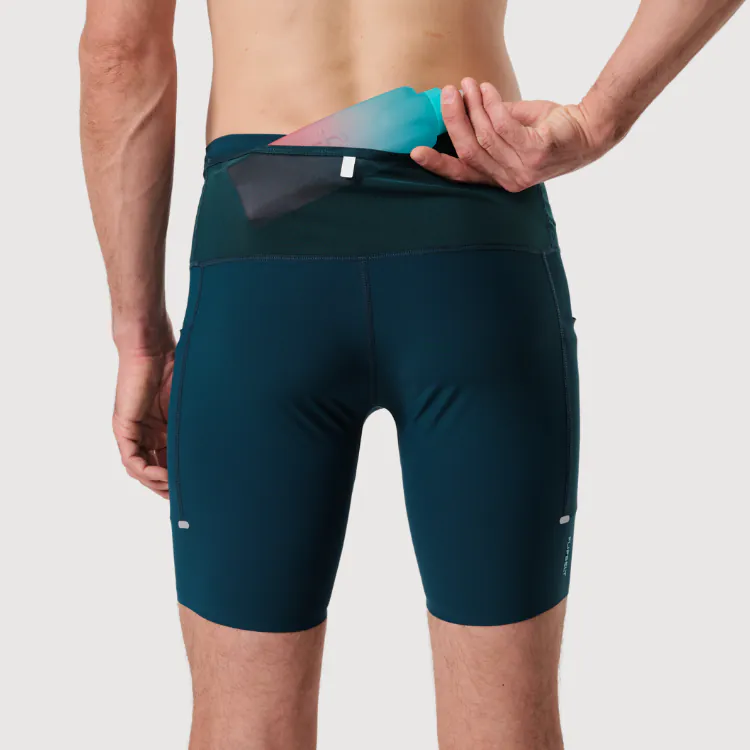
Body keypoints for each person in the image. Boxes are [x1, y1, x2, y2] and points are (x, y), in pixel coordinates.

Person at [79, 1, 745, 747]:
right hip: (471, 217)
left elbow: (120, 54)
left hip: (261, 240)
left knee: (245, 727)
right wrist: (599, 119)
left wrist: (139, 336)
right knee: (505, 729)